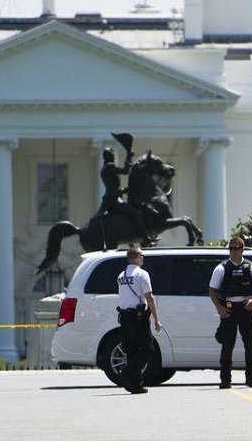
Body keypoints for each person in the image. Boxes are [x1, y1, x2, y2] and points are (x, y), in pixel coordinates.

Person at [209, 236, 252, 389]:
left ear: (242, 249)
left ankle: (251, 378)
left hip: (246, 308)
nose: (233, 251)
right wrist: (219, 308)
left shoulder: (251, 267)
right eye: (231, 248)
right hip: (228, 309)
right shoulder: (221, 268)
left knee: (250, 346)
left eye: (236, 248)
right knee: (227, 346)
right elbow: (212, 290)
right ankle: (225, 380)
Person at [116, 244, 162, 394]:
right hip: (138, 318)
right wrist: (156, 319)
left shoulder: (121, 276)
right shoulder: (142, 274)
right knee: (148, 349)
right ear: (135, 258)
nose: (143, 258)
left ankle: (135, 385)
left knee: (132, 351)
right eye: (141, 255)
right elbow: (149, 296)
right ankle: (127, 373)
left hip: (124, 317)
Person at [95, 147, 152, 243]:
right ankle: (145, 238)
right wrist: (128, 156)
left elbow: (112, 187)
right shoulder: (109, 166)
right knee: (137, 213)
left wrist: (122, 190)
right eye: (112, 154)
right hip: (114, 200)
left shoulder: (106, 168)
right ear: (109, 157)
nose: (113, 156)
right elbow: (125, 171)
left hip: (114, 197)